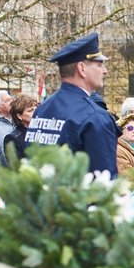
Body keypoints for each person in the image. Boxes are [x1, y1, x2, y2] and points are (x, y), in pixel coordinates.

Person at [25, 32, 117, 177]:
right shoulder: (95, 116)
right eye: (99, 64)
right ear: (82, 69)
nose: (105, 71)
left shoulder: (43, 109)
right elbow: (103, 183)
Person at [4, 94, 39, 160]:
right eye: (30, 110)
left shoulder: (42, 131)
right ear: (19, 116)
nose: (35, 112)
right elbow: (16, 165)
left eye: (35, 109)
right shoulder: (12, 138)